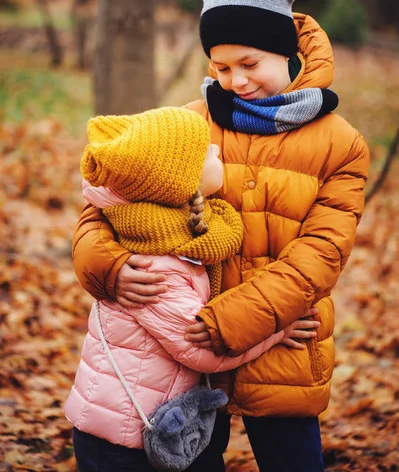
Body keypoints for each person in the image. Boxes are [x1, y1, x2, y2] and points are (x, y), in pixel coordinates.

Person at [71, 0, 369, 472]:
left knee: (292, 459)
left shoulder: (340, 145)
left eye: (250, 64)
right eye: (221, 67)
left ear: (287, 52)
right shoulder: (191, 124)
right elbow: (104, 207)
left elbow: (323, 249)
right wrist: (108, 268)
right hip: (182, 351)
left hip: (282, 339)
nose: (235, 82)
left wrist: (238, 321)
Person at [65, 106, 319, 472]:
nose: (218, 151)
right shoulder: (156, 269)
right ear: (182, 182)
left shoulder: (165, 232)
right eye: (207, 151)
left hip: (151, 422)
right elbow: (203, 350)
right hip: (126, 443)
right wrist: (277, 332)